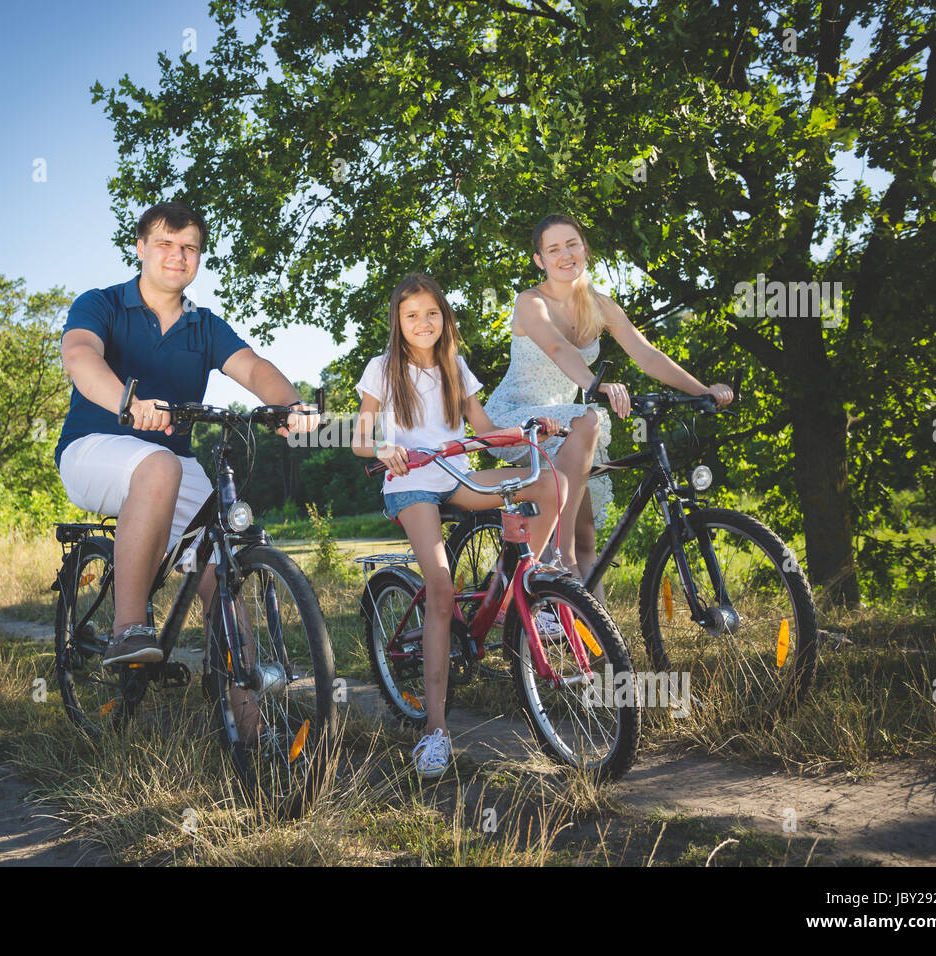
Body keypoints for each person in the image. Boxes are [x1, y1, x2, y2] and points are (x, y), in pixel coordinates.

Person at [54, 200, 317, 667]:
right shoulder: (101, 303)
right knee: (159, 467)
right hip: (93, 449)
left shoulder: (204, 325)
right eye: (165, 244)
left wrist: (289, 406)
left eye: (190, 248)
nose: (178, 255)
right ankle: (128, 629)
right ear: (140, 248)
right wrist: (128, 405)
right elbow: (80, 356)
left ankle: (246, 719)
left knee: (225, 561)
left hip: (171, 465)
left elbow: (253, 368)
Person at [352, 273, 562, 779]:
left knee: (550, 482)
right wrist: (385, 448)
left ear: (444, 318)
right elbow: (361, 437)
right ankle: (436, 730)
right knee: (442, 591)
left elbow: (485, 431)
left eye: (431, 313)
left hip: (455, 473)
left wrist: (532, 429)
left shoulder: (455, 366)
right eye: (411, 316)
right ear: (398, 324)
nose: (423, 323)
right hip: (410, 484)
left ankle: (514, 588)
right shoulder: (382, 370)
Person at [484, 214, 734, 602]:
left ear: (584, 248)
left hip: (564, 428)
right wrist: (592, 385)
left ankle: (598, 645)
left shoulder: (600, 306)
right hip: (518, 419)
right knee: (590, 419)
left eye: (572, 244)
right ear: (540, 261)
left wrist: (703, 391)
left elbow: (647, 356)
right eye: (553, 249)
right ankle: (557, 565)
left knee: (588, 537)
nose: (565, 255)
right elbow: (556, 348)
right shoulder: (530, 301)